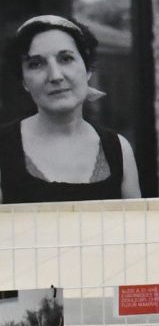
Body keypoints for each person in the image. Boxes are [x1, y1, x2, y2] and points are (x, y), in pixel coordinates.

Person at [0, 14, 141, 204]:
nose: (55, 76)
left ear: (88, 69)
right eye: (36, 64)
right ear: (24, 81)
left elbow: (136, 230)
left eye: (66, 59)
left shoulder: (118, 149)